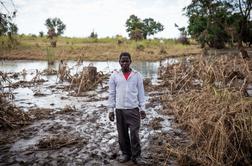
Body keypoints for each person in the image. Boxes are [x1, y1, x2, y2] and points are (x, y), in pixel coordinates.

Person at [108, 52, 146, 164]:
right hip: (119, 110)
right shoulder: (114, 75)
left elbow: (141, 93)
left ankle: (136, 156)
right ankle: (126, 154)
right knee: (122, 134)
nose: (124, 63)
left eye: (127, 61)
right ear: (119, 62)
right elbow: (111, 93)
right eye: (122, 61)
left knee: (134, 133)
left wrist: (142, 109)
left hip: (133, 109)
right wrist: (111, 110)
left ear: (130, 62)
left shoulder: (137, 75)